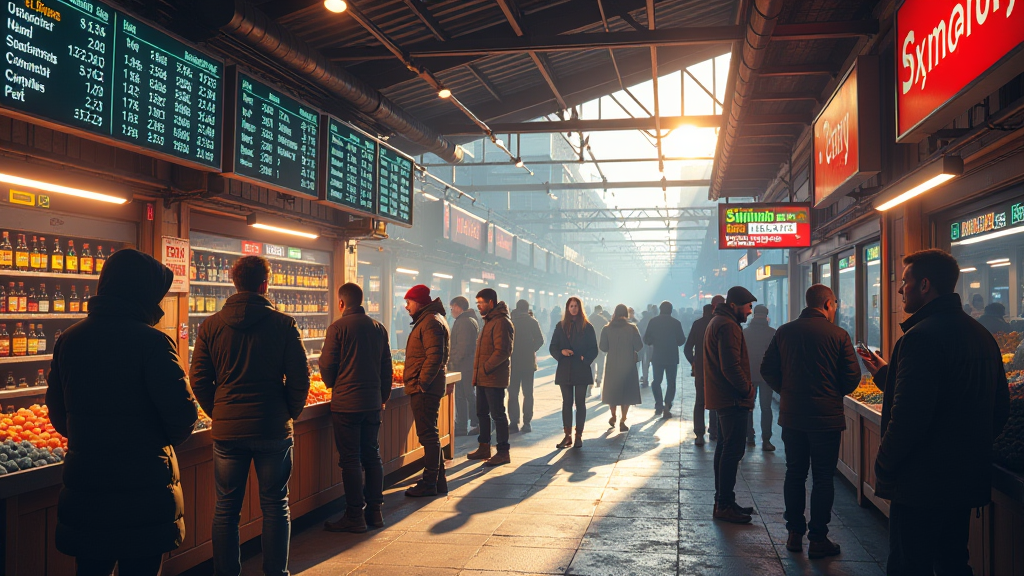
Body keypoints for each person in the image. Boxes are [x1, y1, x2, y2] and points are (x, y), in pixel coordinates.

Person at [46, 249, 197, 576]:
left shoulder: (69, 340)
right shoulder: (153, 343)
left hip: (87, 485)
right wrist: (149, 445)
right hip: (143, 491)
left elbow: (58, 415)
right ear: (142, 292)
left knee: (90, 568)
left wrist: (92, 440)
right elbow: (183, 416)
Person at [859, 250, 1009, 575]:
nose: (900, 290)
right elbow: (999, 408)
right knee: (954, 561)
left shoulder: (920, 339)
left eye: (905, 282)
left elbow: (909, 417)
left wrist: (883, 465)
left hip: (920, 484)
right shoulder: (982, 336)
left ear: (924, 285)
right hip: (964, 479)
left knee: (909, 565)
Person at [190, 255, 310, 576]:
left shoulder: (211, 326)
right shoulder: (284, 324)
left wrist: (220, 413)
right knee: (275, 506)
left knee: (226, 510)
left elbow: (199, 379)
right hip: (273, 428)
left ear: (235, 283)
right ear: (264, 285)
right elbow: (300, 379)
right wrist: (287, 412)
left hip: (228, 432)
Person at [760, 285, 861, 558]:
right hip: (826, 419)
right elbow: (852, 377)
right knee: (823, 477)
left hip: (792, 416)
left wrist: (788, 391)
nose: (836, 308)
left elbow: (767, 369)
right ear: (828, 303)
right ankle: (818, 538)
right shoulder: (839, 335)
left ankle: (794, 533)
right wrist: (830, 392)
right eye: (836, 304)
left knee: (795, 473)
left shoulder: (784, 332)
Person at [319, 283, 393, 533]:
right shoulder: (378, 328)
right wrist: (382, 397)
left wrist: (332, 383)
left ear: (341, 303)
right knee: (372, 455)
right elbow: (386, 368)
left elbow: (328, 366)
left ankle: (354, 515)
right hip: (372, 403)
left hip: (347, 404)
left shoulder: (337, 328)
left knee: (350, 460)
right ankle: (376, 512)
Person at [704, 287, 757, 524]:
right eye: (748, 307)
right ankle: (724, 504)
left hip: (724, 396)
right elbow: (730, 366)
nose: (750, 311)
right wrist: (747, 389)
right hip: (732, 398)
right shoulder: (727, 326)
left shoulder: (719, 321)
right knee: (732, 451)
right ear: (735, 305)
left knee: (724, 449)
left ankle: (724, 500)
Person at [399, 285, 450, 497]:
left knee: (428, 435)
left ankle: (429, 483)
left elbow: (435, 356)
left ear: (418, 302)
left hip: (425, 389)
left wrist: (422, 383)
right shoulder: (430, 319)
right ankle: (438, 481)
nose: (406, 306)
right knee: (431, 434)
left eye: (408, 302)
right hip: (427, 387)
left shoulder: (430, 322)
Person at [466, 288, 514, 466]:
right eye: (477, 303)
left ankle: (503, 451)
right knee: (482, 413)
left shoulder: (501, 322)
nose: (478, 306)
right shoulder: (489, 321)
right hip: (483, 378)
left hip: (493, 378)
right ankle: (484, 446)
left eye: (481, 303)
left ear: (491, 303)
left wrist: (485, 368)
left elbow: (502, 351)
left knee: (498, 415)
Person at [549, 296, 599, 448]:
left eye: (576, 306)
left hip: (581, 369)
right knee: (567, 403)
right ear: (567, 308)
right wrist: (561, 352)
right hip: (565, 369)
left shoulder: (587, 327)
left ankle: (578, 435)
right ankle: (567, 435)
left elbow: (594, 349)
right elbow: (552, 347)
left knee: (580, 403)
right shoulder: (561, 326)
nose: (573, 308)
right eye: (571, 306)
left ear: (580, 308)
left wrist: (585, 359)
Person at [685, 295, 725, 445]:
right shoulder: (722, 324)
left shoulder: (698, 324)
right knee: (717, 401)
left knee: (700, 401)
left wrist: (694, 361)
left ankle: (699, 434)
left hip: (701, 369)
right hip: (719, 369)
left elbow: (688, 348)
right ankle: (714, 431)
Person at [601, 304, 643, 431]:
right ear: (626, 314)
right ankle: (623, 419)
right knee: (627, 393)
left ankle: (613, 415)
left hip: (612, 364)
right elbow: (639, 346)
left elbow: (603, 347)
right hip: (628, 364)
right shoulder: (632, 328)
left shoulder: (607, 328)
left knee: (612, 392)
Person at [644, 301, 686, 418]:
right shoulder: (676, 323)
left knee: (656, 381)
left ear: (660, 309)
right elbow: (681, 340)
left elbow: (646, 339)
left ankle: (658, 404)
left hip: (658, 355)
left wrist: (654, 341)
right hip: (672, 356)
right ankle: (667, 405)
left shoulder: (653, 322)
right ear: (671, 310)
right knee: (671, 382)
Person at [743, 305, 777, 451]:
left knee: (749, 407)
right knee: (766, 407)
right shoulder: (772, 333)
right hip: (766, 376)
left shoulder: (744, 333)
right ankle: (766, 440)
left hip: (748, 374)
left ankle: (749, 436)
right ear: (767, 316)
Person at [509, 300, 544, 434]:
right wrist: (531, 349)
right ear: (527, 308)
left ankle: (513, 422)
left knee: (512, 393)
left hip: (513, 363)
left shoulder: (511, 321)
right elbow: (540, 340)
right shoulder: (532, 321)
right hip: (528, 363)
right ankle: (527, 423)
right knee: (528, 394)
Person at [448, 296, 480, 437]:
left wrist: (452, 362)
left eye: (452, 308)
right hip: (467, 364)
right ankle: (468, 422)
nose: (451, 311)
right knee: (465, 394)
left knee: (465, 394)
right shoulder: (469, 320)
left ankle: (470, 423)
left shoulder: (464, 322)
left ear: (457, 306)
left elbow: (462, 347)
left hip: (463, 365)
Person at [592, 305, 612, 388]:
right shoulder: (603, 320)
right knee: (600, 364)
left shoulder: (589, 319)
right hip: (601, 345)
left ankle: (591, 380)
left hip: (591, 345)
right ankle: (599, 379)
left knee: (592, 365)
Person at [637, 305, 654, 386]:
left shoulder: (640, 323)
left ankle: (645, 379)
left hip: (643, 345)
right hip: (651, 345)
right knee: (650, 363)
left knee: (644, 364)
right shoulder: (653, 322)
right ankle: (651, 379)